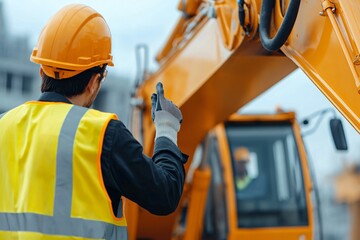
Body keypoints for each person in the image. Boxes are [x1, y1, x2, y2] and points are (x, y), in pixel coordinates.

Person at [0, 4, 187, 240]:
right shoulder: (103, 135)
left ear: (41, 72)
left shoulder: (3, 127)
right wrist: (167, 128)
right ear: (94, 82)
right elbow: (164, 194)